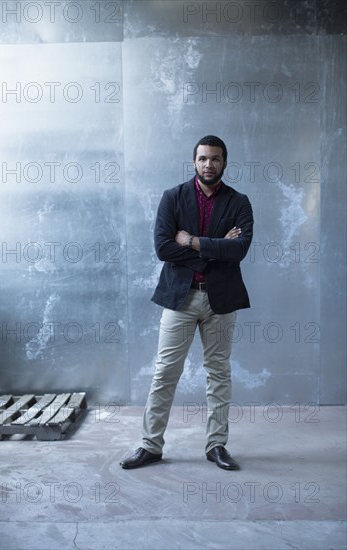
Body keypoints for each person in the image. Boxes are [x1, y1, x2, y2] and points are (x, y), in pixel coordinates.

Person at [120, 135, 253, 470]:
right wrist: (213, 248)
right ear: (194, 161)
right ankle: (150, 445)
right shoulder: (173, 198)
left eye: (215, 159)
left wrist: (192, 242)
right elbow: (163, 249)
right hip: (180, 298)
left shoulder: (239, 202)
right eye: (203, 158)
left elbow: (238, 250)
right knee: (165, 372)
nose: (209, 164)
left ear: (225, 162)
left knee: (219, 373)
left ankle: (216, 446)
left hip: (221, 301)